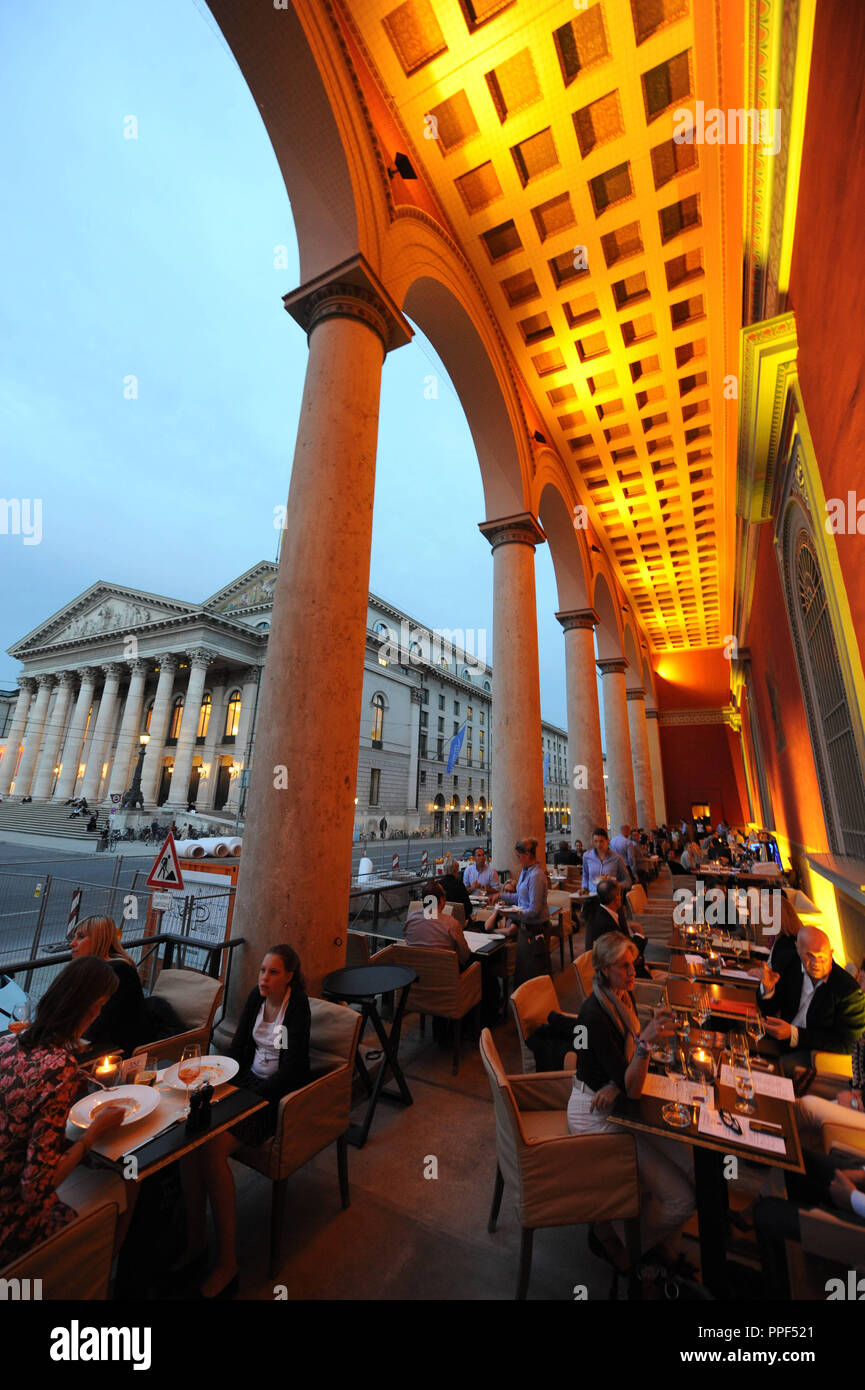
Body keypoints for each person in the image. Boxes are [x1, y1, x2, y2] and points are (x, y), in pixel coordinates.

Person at [174, 944, 310, 1298]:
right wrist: (218, 1078)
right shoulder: (256, 997)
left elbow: (294, 1066)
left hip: (275, 1094)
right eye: (263, 970)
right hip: (247, 1081)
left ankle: (228, 1263)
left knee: (213, 1149)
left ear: (289, 976)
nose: (264, 977)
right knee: (191, 1138)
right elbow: (237, 1052)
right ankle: (196, 1240)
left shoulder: (297, 1007)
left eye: (273, 972)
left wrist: (250, 1098)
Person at [568, 932, 695, 1272]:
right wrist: (640, 1051)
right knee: (682, 1199)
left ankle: (656, 1243)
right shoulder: (594, 1015)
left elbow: (625, 1077)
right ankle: (623, 1240)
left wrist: (618, 1081)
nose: (632, 972)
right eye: (624, 967)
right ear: (605, 970)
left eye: (633, 964)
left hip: (618, 1101)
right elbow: (633, 1086)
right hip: (595, 1112)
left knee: (692, 1164)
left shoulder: (622, 997)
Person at [0, 958, 132, 1264]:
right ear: (93, 1007)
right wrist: (94, 1132)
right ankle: (97, 1271)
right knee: (123, 1182)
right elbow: (36, 1190)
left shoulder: (8, 1044)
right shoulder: (59, 1067)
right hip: (12, 1225)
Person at [758, 925, 865, 1071]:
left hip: (813, 1053)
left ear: (831, 952)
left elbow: (848, 1044)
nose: (816, 963)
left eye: (822, 957)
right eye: (809, 955)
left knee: (778, 1068)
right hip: (778, 1040)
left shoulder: (848, 990)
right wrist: (768, 989)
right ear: (797, 949)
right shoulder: (787, 962)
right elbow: (769, 1009)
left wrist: (794, 1034)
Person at [69, 916, 151, 1057]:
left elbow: (102, 1021)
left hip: (116, 1051)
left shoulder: (119, 972)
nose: (72, 943)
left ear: (98, 939)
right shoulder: (88, 969)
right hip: (92, 1041)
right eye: (73, 937)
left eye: (81, 937)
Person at [483, 838, 549, 983]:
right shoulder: (526, 872)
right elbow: (519, 897)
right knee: (524, 973)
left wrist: (510, 913)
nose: (518, 860)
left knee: (533, 975)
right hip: (525, 929)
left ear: (526, 854)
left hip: (535, 929)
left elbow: (535, 910)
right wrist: (500, 895)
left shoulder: (536, 875)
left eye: (518, 856)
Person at [583, 878, 653, 979]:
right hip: (624, 975)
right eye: (619, 894)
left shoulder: (604, 911)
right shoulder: (606, 925)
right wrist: (639, 934)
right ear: (616, 898)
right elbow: (627, 954)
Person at [404, 880, 469, 964]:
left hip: (416, 972)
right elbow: (464, 956)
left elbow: (407, 942)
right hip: (446, 974)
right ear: (442, 900)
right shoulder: (452, 924)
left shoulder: (411, 918)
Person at [581, 828, 630, 894]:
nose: (598, 845)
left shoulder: (617, 858)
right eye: (596, 841)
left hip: (610, 896)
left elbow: (627, 881)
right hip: (592, 895)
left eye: (601, 841)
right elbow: (585, 875)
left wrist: (617, 886)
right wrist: (584, 888)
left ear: (607, 840)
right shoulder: (587, 856)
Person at [440, 855, 476, 925]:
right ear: (455, 871)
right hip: (458, 923)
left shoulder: (438, 885)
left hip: (442, 922)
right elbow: (468, 909)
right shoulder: (459, 885)